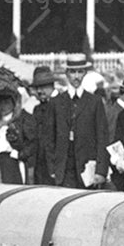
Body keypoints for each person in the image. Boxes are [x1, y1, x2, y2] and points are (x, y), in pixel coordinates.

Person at [47, 54, 109, 188]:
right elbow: (50, 138)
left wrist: (101, 170)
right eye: (73, 72)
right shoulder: (56, 102)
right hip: (63, 169)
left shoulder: (94, 102)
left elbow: (102, 137)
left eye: (80, 72)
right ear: (67, 74)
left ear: (85, 73)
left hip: (87, 168)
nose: (76, 76)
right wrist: (52, 169)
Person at [7, 65, 55, 184]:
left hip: (55, 167)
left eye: (43, 87)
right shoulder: (37, 109)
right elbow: (35, 139)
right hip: (39, 167)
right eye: (37, 87)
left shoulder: (62, 105)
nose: (39, 91)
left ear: (51, 86)